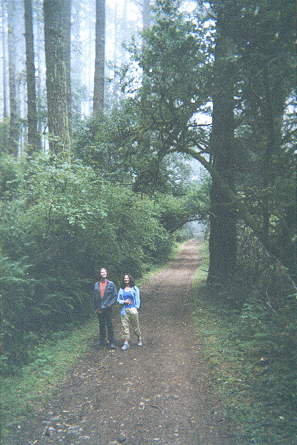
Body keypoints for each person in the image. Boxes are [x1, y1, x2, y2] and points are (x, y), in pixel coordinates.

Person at [93, 267, 117, 349]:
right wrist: (95, 308)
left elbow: (114, 296)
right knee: (101, 325)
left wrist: (110, 304)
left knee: (109, 325)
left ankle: (111, 342)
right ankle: (101, 340)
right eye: (102, 272)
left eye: (105, 272)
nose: (104, 273)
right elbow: (95, 297)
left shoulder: (111, 284)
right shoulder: (96, 285)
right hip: (100, 308)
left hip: (107, 308)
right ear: (100, 274)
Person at [117, 273, 142, 350]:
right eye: (125, 278)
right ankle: (126, 342)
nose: (126, 280)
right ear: (123, 280)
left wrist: (137, 308)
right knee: (125, 326)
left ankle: (139, 337)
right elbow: (118, 300)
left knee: (135, 325)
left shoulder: (134, 289)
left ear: (130, 279)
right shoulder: (121, 289)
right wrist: (124, 301)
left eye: (127, 278)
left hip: (133, 309)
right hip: (124, 310)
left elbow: (137, 299)